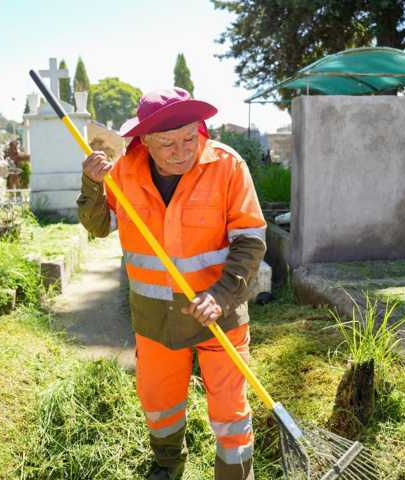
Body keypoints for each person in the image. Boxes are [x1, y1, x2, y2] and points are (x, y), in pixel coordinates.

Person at [77, 87, 266, 480]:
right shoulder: (124, 170)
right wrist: (92, 184)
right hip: (155, 317)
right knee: (160, 403)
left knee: (230, 411)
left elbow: (250, 240)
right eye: (167, 143)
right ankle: (167, 466)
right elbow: (100, 226)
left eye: (189, 138)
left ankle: (234, 475)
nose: (182, 151)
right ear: (145, 141)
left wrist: (221, 295)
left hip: (219, 314)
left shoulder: (227, 166)